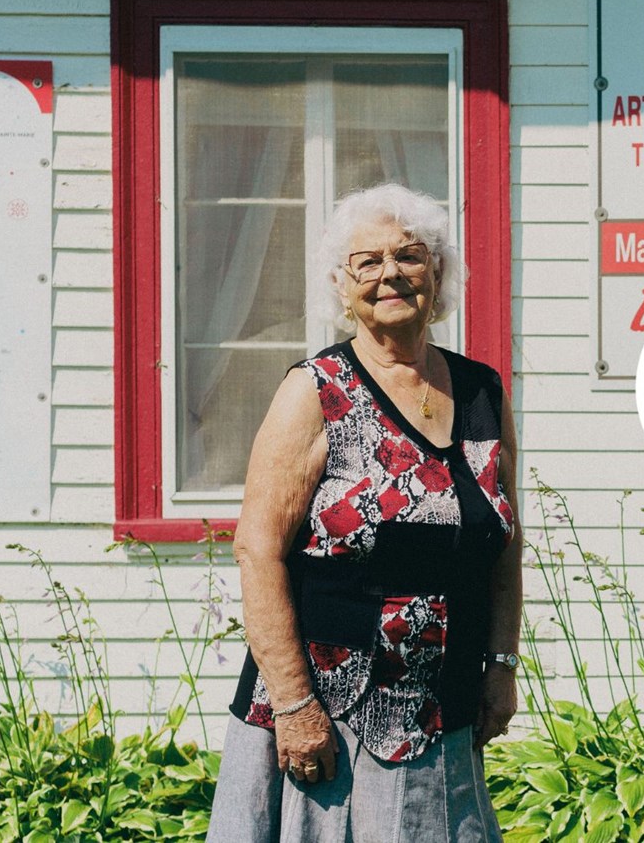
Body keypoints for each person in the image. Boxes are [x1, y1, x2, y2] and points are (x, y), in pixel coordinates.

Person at [208, 183, 521, 842]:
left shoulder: (480, 391)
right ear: (341, 285)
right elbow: (257, 549)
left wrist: (502, 664)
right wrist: (294, 707)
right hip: (333, 718)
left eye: (410, 256)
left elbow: (504, 543)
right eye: (368, 262)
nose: (391, 275)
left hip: (445, 708)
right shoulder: (316, 390)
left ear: (438, 274)